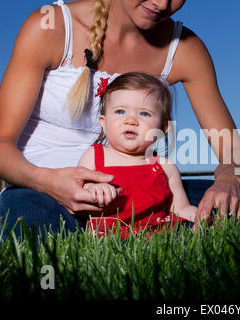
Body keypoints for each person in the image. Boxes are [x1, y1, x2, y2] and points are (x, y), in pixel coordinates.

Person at [0, 0, 240, 237]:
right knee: (27, 218)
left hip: (140, 188)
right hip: (45, 188)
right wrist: (48, 182)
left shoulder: (186, 48)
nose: (162, 3)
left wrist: (228, 182)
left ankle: (141, 226)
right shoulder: (51, 26)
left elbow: (235, 155)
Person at [77, 71, 196, 238]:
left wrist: (200, 217)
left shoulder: (164, 166)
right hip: (109, 236)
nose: (131, 120)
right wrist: (92, 188)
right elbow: (78, 189)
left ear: (162, 129)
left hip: (158, 235)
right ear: (103, 123)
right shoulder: (95, 155)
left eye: (144, 113)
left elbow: (181, 208)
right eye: (120, 112)